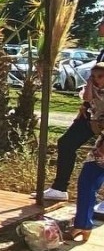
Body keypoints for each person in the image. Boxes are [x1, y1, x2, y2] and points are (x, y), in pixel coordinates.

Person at [42, 62, 104, 201]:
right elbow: (87, 98)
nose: (96, 79)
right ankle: (59, 188)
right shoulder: (93, 86)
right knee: (66, 143)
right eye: (94, 77)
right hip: (91, 116)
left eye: (100, 77)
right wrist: (89, 83)